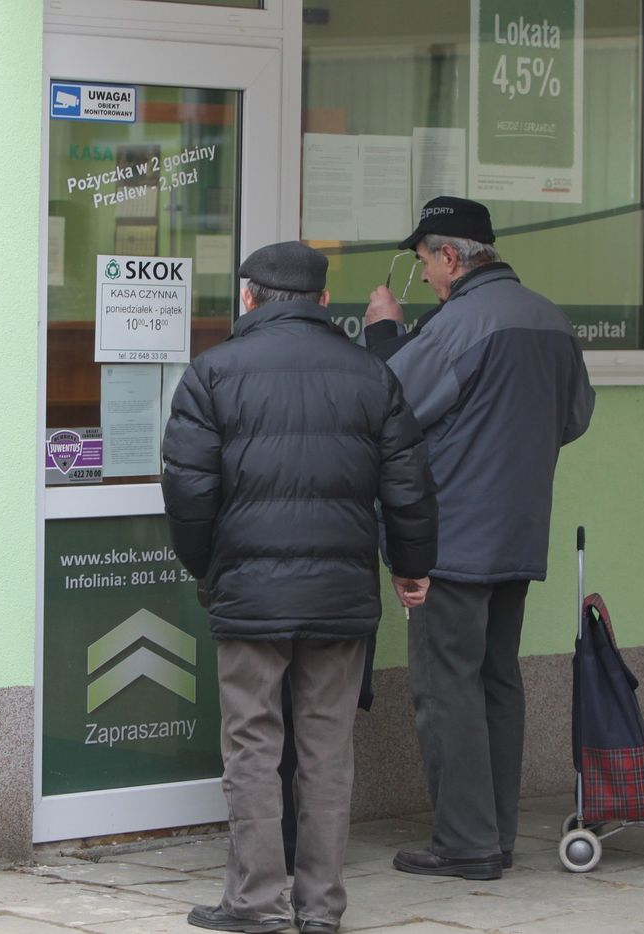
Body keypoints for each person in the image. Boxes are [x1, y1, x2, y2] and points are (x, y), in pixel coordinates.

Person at [162, 241, 438, 934]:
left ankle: (255, 903)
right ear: (323, 301)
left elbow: (188, 494)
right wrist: (410, 566)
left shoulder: (212, 373)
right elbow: (408, 488)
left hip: (250, 595)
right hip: (341, 599)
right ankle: (321, 908)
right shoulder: (370, 375)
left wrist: (209, 569)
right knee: (326, 749)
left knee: (252, 746)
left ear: (249, 298)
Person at [363, 196, 595, 881]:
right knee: (498, 680)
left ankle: (465, 842)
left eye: (426, 263)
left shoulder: (463, 323)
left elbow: (390, 404)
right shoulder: (548, 318)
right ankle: (494, 835)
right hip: (518, 531)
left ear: (452, 256)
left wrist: (383, 335)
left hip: (451, 538)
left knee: (445, 687)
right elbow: (575, 417)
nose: (426, 277)